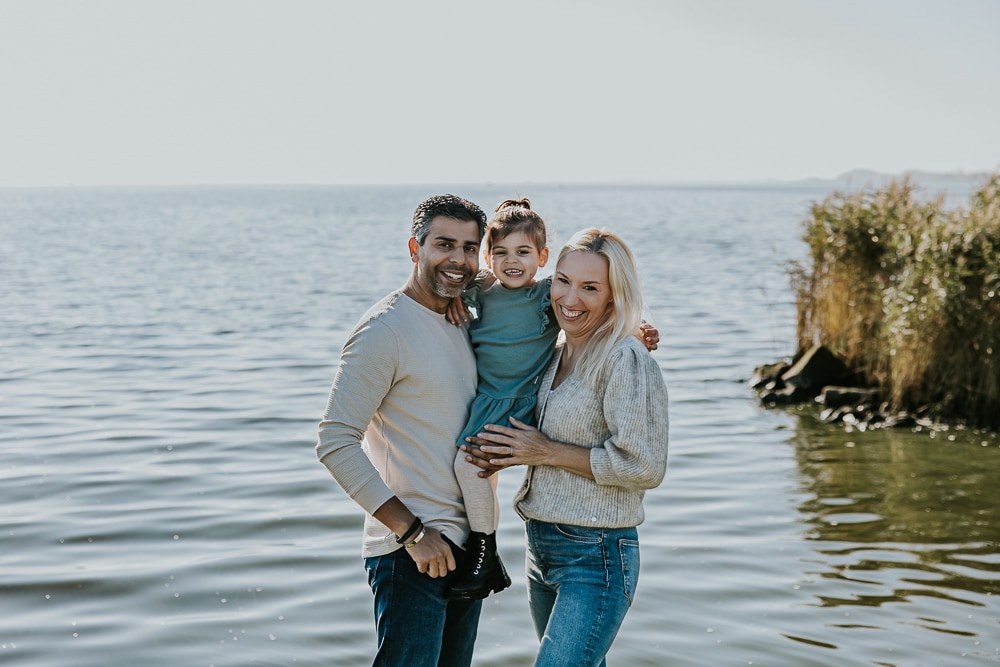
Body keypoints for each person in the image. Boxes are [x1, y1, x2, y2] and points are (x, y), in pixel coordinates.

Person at [463, 227, 669, 667]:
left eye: (590, 288)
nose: (570, 298)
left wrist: (547, 451)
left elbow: (645, 466)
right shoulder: (556, 350)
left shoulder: (625, 359)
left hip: (596, 555)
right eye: (563, 281)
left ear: (614, 296)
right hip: (541, 548)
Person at [315, 194, 488, 667]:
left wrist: (628, 331)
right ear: (414, 248)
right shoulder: (383, 330)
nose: (458, 259)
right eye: (444, 244)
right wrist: (411, 533)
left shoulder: (461, 319)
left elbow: (528, 292)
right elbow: (334, 442)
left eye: (470, 248)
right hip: (411, 553)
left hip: (465, 547)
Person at [447, 199, 556, 601]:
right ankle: (486, 558)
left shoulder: (546, 296)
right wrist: (455, 299)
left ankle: (484, 555)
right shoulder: (478, 291)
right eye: (502, 252)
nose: (513, 261)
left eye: (524, 252)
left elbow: (595, 313)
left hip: (521, 403)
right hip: (487, 399)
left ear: (542, 257)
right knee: (480, 476)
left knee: (467, 464)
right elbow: (447, 297)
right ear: (488, 257)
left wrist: (636, 330)